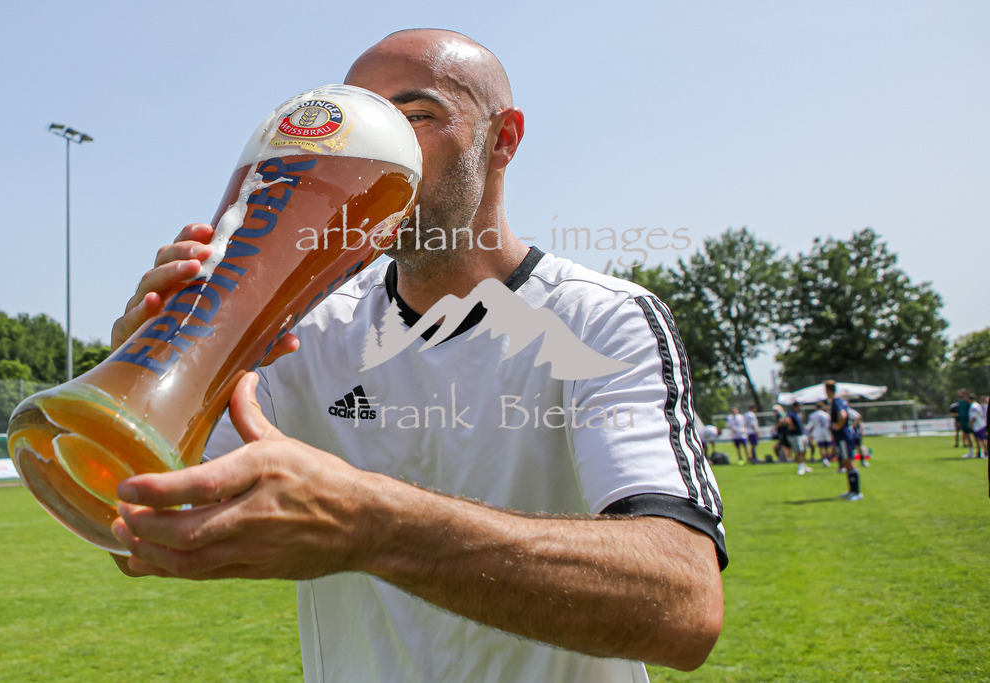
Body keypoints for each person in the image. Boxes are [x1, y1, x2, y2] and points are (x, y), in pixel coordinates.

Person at [107, 29, 726, 681]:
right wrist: (147, 379)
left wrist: (371, 523)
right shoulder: (301, 330)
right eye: (360, 123)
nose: (381, 147)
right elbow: (134, 526)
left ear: (503, 138)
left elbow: (681, 601)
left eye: (416, 116)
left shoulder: (601, 318)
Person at [826, 380, 862, 501]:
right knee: (846, 463)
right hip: (841, 437)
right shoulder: (838, 401)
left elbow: (843, 415)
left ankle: (856, 492)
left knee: (849, 461)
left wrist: (838, 426)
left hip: (844, 437)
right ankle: (851, 490)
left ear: (828, 390)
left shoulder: (837, 401)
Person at [807, 400, 833, 467]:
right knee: (827, 447)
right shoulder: (826, 415)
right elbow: (829, 425)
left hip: (818, 432)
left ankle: (824, 459)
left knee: (821, 447)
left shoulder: (812, 415)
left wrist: (810, 435)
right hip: (826, 432)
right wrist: (831, 433)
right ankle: (828, 459)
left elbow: (810, 426)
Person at [787, 402, 810, 475]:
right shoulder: (791, 413)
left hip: (801, 434)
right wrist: (793, 428)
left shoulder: (797, 413)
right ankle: (800, 467)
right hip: (795, 435)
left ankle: (803, 465)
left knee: (804, 450)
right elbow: (788, 421)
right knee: (799, 451)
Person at [959, 389, 976, 458]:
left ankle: (980, 451)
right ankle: (971, 451)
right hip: (963, 421)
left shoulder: (968, 402)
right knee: (967, 436)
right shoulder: (960, 402)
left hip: (969, 421)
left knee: (977, 436)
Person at [969, 395, 987, 459]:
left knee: (981, 440)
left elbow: (974, 417)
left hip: (978, 426)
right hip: (981, 424)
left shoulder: (973, 406)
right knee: (979, 439)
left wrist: (970, 424)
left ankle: (985, 453)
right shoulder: (978, 405)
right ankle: (980, 453)